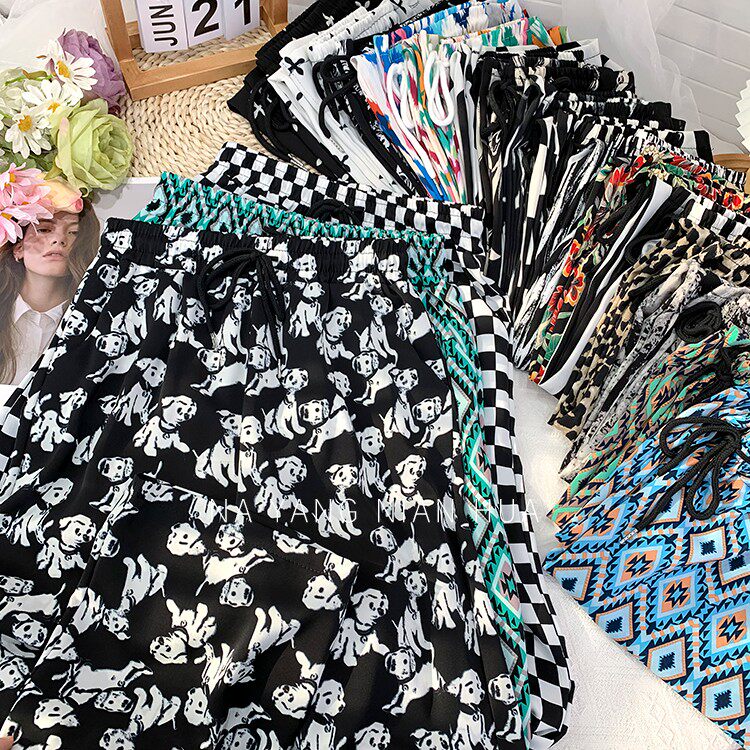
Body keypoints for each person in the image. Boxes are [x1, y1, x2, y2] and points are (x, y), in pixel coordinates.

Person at [0, 199, 99, 385]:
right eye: (45, 229)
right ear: (18, 248)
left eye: (74, 232)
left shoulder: (94, 325)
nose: (59, 239)